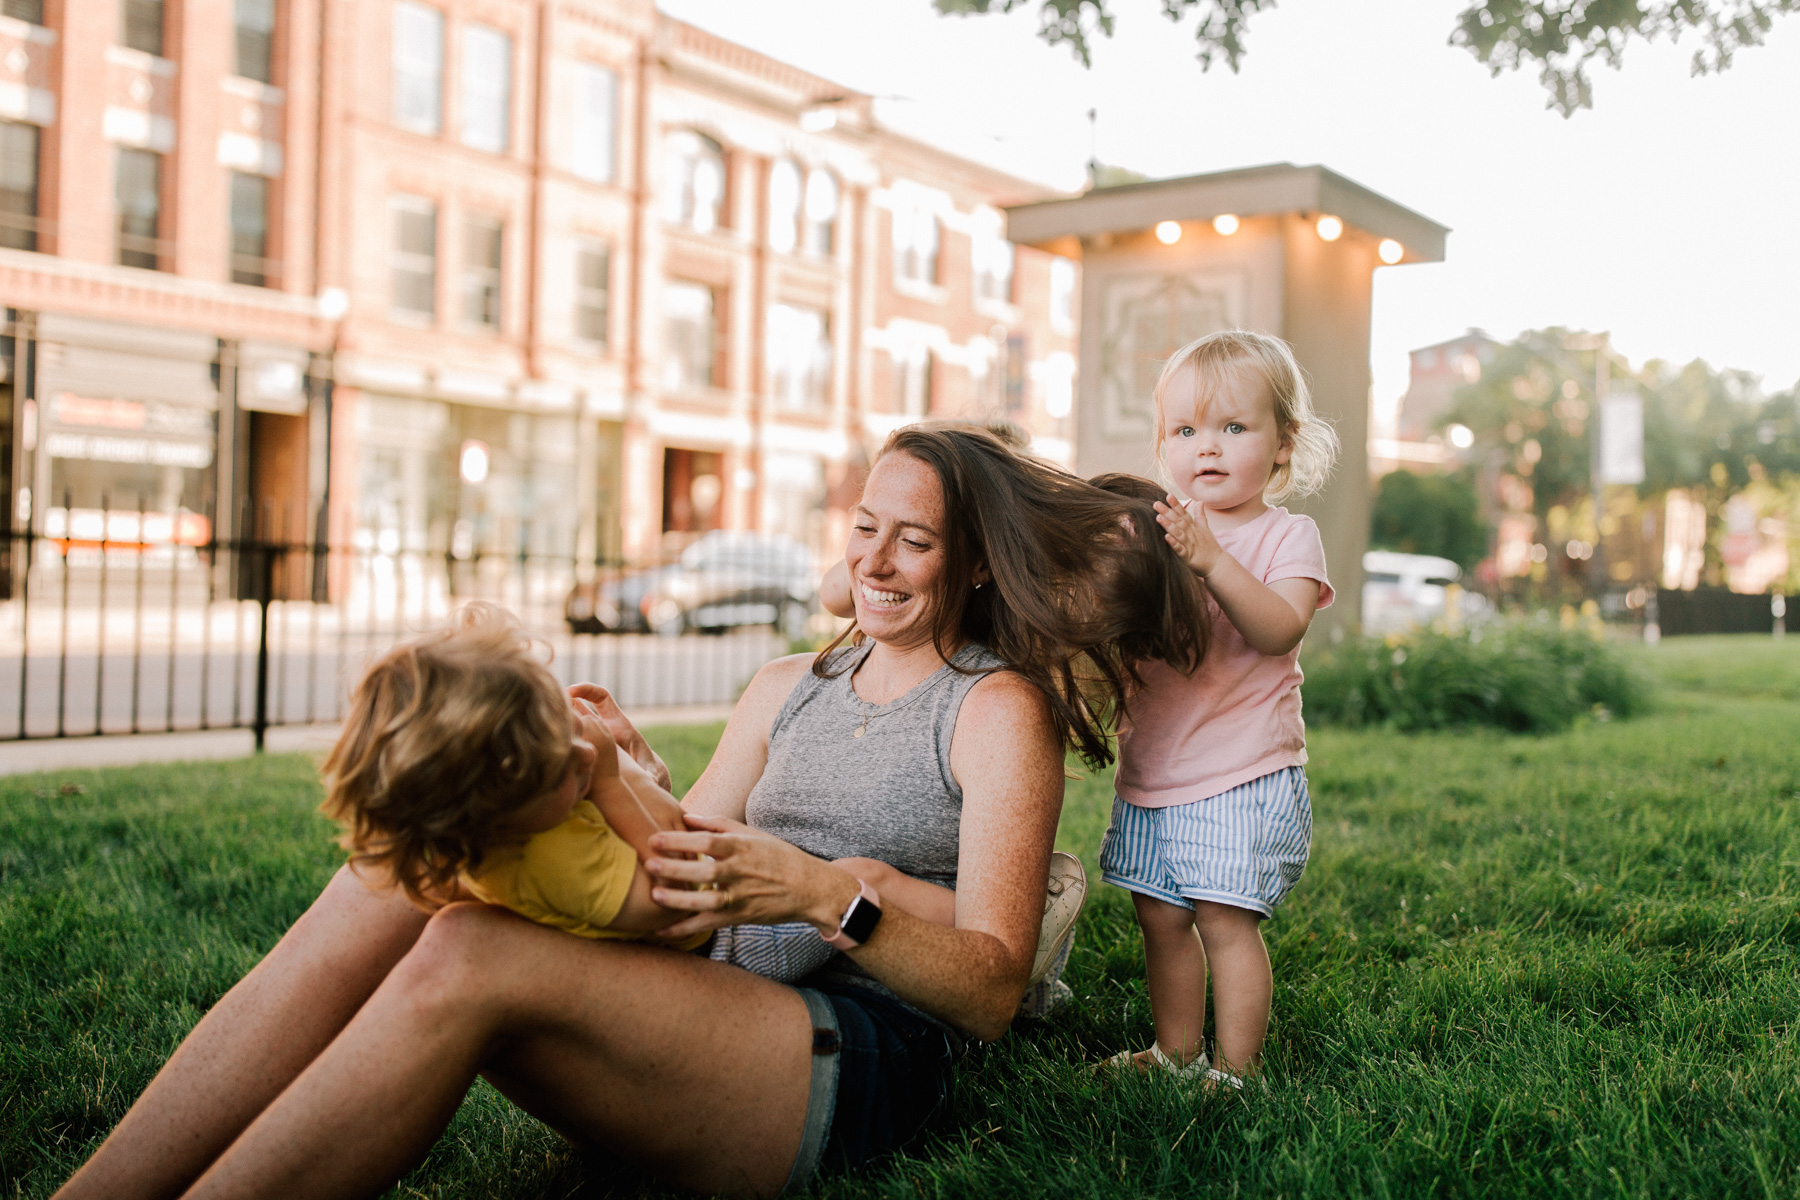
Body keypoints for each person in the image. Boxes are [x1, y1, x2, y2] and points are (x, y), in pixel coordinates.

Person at [54, 425, 1205, 1200]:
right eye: (866, 526)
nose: (878, 560)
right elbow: (678, 880)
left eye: (915, 540)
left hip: (851, 1058)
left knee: (469, 956)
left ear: (979, 566)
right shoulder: (785, 686)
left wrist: (821, 895)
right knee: (401, 879)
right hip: (708, 991)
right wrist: (616, 776)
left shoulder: (993, 709)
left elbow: (994, 988)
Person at [1097, 329, 1338, 1090]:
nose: (1209, 447)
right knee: (1161, 920)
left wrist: (1208, 557)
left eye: (1234, 427)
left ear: (1282, 445)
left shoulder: (1285, 535)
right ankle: (1174, 1051)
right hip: (1155, 770)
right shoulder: (1149, 535)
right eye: (1186, 430)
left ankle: (1235, 1070)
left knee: (1223, 921)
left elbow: (1277, 629)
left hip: (1240, 773)